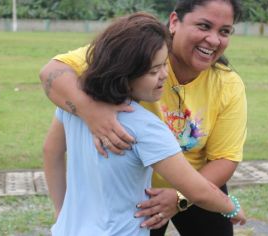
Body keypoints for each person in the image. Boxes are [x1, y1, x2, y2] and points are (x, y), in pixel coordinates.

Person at [40, 0, 247, 235]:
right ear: (174, 22)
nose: (213, 39)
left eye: (224, 31)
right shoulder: (143, 50)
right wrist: (93, 112)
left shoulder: (227, 84)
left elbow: (223, 160)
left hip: (196, 182)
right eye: (203, 26)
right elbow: (51, 72)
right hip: (141, 199)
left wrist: (179, 197)